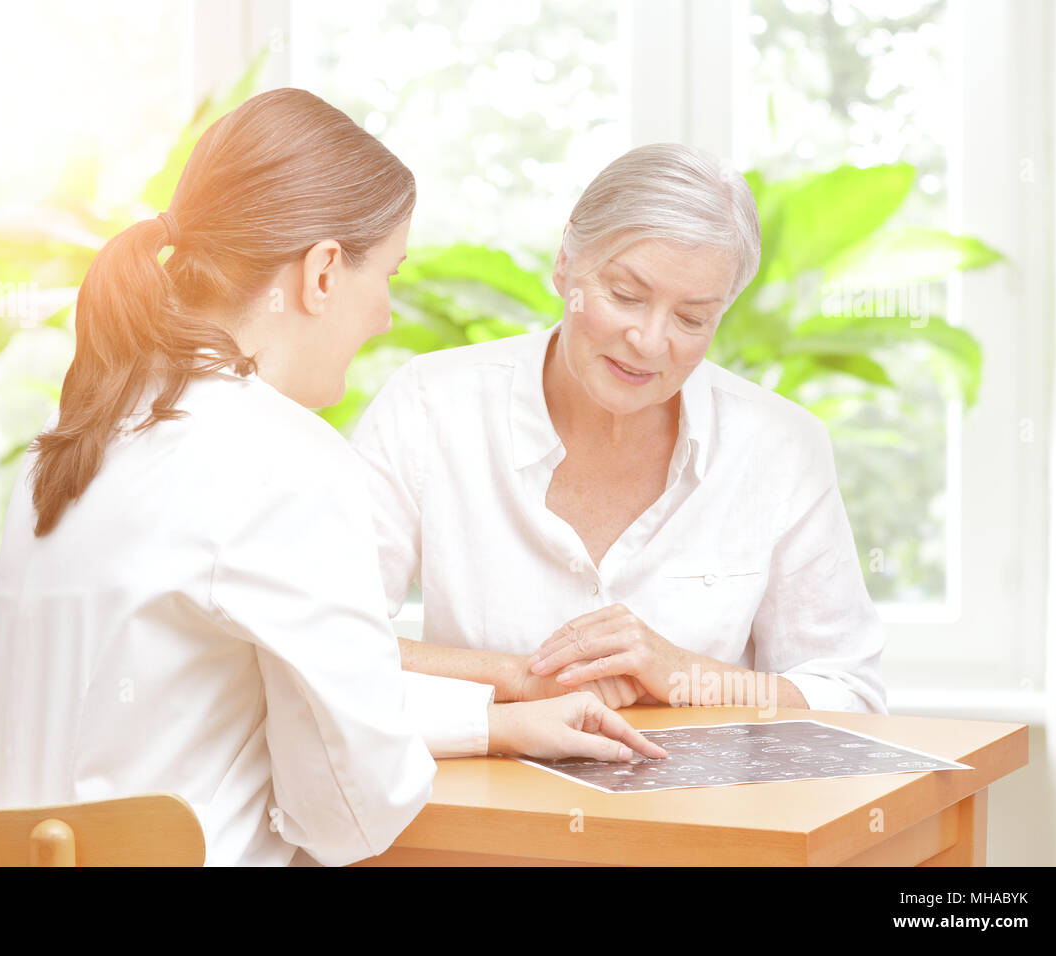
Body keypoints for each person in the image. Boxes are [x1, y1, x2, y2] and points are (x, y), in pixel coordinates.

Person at [0, 89, 664, 868]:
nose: (387, 315)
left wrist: (490, 723)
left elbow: (241, 708)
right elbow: (345, 814)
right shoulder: (284, 459)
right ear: (324, 272)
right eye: (387, 275)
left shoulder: (74, 444)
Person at [349, 143, 887, 716]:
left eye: (692, 318)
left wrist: (686, 676)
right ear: (565, 264)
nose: (650, 343)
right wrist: (520, 680)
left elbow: (848, 694)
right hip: (488, 803)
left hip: (705, 806)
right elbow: (327, 639)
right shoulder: (432, 406)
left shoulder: (779, 446)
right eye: (626, 296)